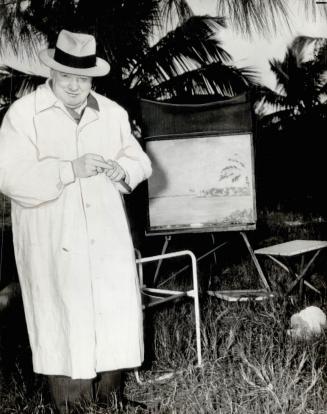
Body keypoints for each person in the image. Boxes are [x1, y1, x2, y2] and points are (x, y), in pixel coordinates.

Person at [0, 29, 152, 412]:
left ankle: (111, 400)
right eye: (66, 76)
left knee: (111, 310)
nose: (73, 85)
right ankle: (71, 404)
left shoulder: (113, 113)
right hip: (55, 238)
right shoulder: (24, 115)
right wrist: (69, 169)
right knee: (65, 318)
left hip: (105, 235)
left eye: (82, 78)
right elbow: (9, 176)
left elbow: (141, 161)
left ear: (92, 78)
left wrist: (123, 171)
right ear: (52, 74)